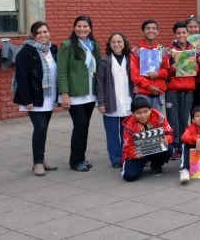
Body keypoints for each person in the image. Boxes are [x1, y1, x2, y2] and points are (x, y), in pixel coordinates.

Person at [13, 21, 59, 176]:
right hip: (34, 98)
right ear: (33, 35)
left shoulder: (53, 49)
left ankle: (42, 158)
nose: (43, 35)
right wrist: (26, 100)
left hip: (49, 96)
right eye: (39, 32)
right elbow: (22, 77)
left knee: (43, 129)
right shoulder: (26, 52)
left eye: (45, 31)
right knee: (39, 128)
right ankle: (37, 163)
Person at [58, 15, 101, 172]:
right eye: (79, 26)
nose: (82, 29)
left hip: (90, 93)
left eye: (85, 26)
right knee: (80, 126)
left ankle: (81, 157)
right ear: (74, 28)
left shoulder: (94, 46)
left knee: (85, 126)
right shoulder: (67, 45)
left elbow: (98, 69)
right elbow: (62, 70)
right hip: (75, 94)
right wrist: (64, 93)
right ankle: (75, 161)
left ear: (90, 28)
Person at [96, 32, 133, 168]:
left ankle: (127, 155)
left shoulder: (130, 59)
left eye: (119, 41)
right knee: (112, 134)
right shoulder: (104, 61)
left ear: (124, 44)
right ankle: (116, 158)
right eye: (113, 42)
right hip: (110, 101)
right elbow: (99, 83)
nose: (116, 44)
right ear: (109, 45)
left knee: (127, 133)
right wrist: (101, 103)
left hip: (128, 102)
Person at [121, 97, 174, 181]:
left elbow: (169, 133)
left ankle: (156, 164)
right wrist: (135, 153)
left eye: (145, 111)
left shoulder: (158, 117)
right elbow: (127, 147)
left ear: (150, 110)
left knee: (169, 150)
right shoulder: (129, 126)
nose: (143, 115)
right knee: (129, 176)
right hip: (139, 153)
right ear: (133, 114)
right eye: (139, 113)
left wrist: (167, 139)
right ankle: (139, 164)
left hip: (156, 148)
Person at [166, 21, 198, 160]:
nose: (181, 35)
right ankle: (173, 146)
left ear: (188, 34)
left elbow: (197, 71)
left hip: (188, 89)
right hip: (173, 89)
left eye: (184, 32)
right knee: (173, 119)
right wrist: (171, 68)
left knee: (184, 119)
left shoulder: (193, 50)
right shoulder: (169, 51)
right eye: (178, 33)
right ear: (175, 34)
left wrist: (196, 66)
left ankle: (184, 145)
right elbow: (164, 69)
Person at [130, 19, 170, 112]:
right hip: (142, 92)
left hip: (158, 92)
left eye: (154, 28)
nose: (151, 30)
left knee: (157, 123)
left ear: (158, 32)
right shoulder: (136, 51)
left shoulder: (162, 50)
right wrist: (148, 86)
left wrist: (157, 74)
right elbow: (134, 75)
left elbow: (166, 71)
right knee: (142, 122)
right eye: (148, 28)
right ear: (143, 32)